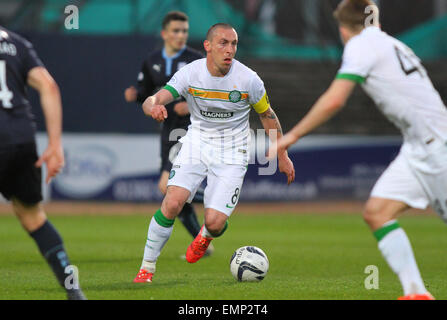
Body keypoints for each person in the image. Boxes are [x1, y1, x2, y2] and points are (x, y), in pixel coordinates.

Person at [269, 0, 447, 300]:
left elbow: (335, 99)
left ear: (342, 29)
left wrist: (292, 136)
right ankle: (416, 293)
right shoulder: (391, 43)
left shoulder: (360, 45)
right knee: (377, 212)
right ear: (375, 20)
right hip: (419, 147)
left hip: (438, 149)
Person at [133, 23, 295, 283]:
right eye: (223, 43)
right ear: (207, 46)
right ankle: (146, 268)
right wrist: (152, 106)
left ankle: (206, 236)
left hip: (233, 152)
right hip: (197, 144)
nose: (229, 50)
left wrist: (282, 154)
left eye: (233, 44)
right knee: (173, 201)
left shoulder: (248, 79)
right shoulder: (190, 74)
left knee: (216, 223)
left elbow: (267, 115)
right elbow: (155, 98)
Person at [0, 26, 86, 300]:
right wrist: (55, 144)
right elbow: (48, 86)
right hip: (21, 139)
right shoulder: (18, 43)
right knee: (33, 217)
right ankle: (74, 290)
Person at [124, 11, 212, 257]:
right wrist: (135, 95)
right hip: (167, 129)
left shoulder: (197, 60)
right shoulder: (152, 60)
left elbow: (213, 92)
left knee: (168, 186)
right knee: (170, 190)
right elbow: (146, 93)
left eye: (184, 31)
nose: (181, 35)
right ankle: (202, 240)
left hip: (189, 129)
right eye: (175, 30)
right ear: (164, 33)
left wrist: (192, 105)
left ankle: (216, 200)